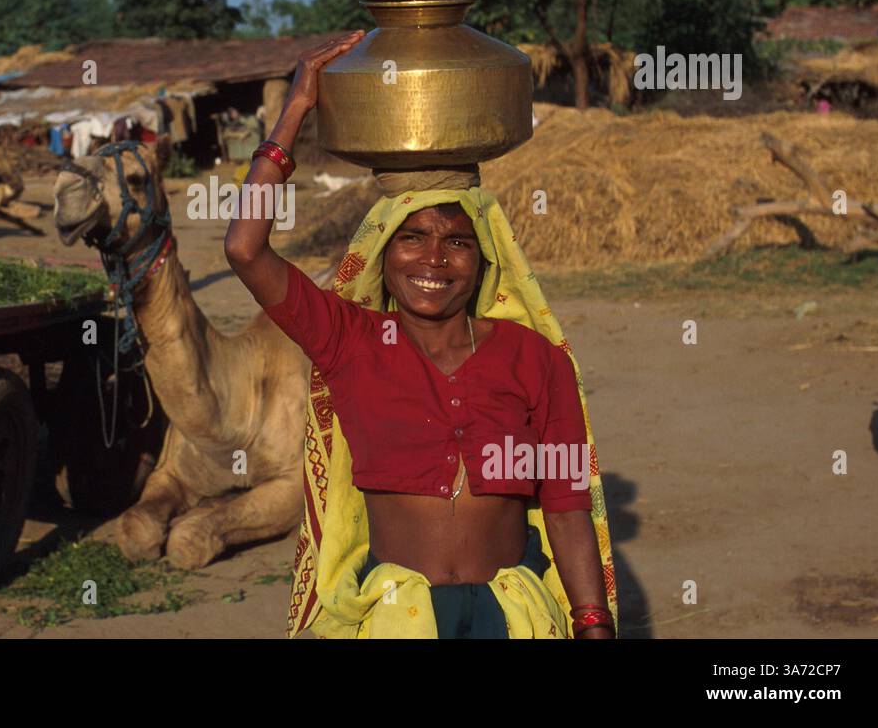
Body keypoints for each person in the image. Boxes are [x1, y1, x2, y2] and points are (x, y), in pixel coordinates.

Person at [224, 32, 618, 639]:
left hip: (513, 614)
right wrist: (296, 111)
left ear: (484, 259)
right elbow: (245, 249)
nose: (434, 259)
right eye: (413, 237)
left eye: (457, 241)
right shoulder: (350, 342)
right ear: (383, 254)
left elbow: (566, 506)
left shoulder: (536, 361)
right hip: (397, 617)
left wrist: (593, 624)